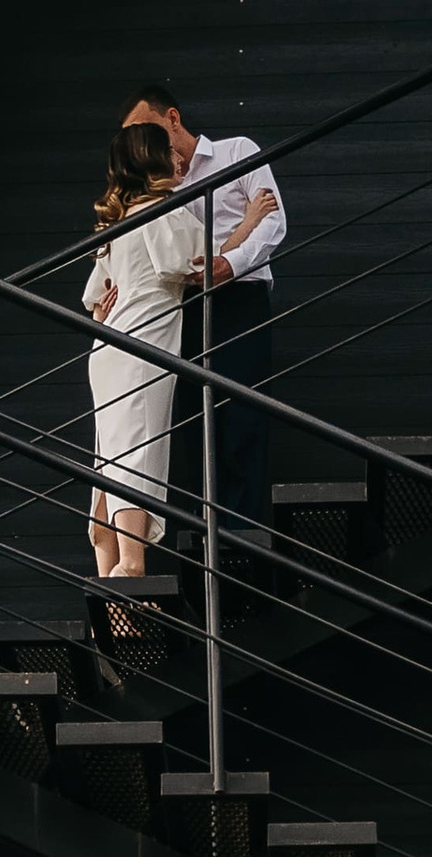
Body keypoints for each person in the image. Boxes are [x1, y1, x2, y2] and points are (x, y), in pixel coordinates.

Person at [105, 80, 285, 560]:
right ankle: (204, 541)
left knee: (241, 416)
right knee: (191, 423)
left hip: (239, 298)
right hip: (179, 308)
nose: (140, 142)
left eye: (145, 128)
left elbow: (274, 220)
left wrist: (231, 263)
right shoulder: (156, 187)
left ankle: (240, 542)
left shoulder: (236, 152)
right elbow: (175, 260)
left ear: (172, 118)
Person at [81, 118, 206, 581]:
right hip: (144, 346)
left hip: (109, 346)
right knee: (138, 450)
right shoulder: (163, 211)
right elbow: (201, 267)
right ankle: (131, 567)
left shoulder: (116, 223)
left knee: (107, 457)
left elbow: (95, 300)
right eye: (168, 151)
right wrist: (250, 223)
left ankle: (109, 580)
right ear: (153, 161)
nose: (178, 158)